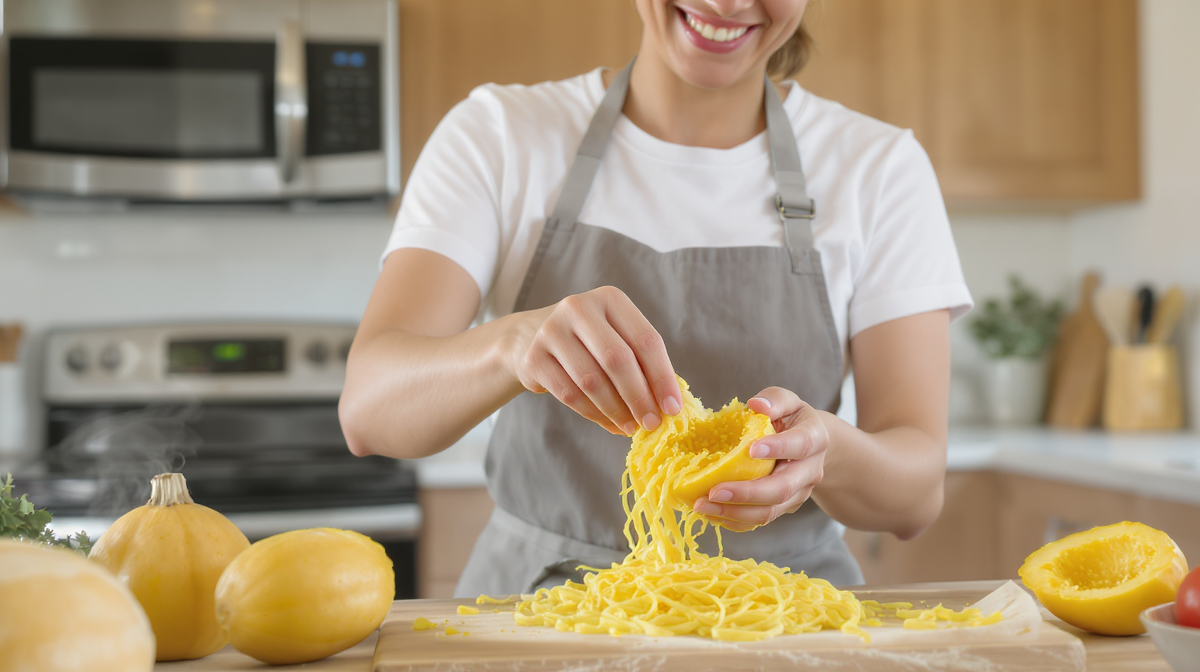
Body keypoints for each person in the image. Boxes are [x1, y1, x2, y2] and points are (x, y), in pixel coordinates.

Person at [339, 0, 972, 596]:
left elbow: (915, 498)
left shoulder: (881, 168)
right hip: (539, 609)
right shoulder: (501, 134)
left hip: (786, 620)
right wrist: (513, 344)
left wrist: (827, 453)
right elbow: (369, 410)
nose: (726, 4)